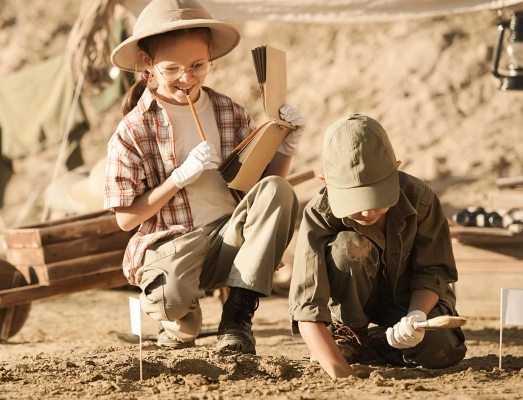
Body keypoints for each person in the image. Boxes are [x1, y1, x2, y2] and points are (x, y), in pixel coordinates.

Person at [103, 0, 306, 354]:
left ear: (211, 55)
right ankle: (179, 321)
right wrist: (178, 177)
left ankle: (237, 318)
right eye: (172, 69)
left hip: (230, 240)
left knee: (280, 190)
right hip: (173, 245)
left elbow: (262, 190)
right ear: (147, 64)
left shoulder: (229, 111)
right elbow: (125, 219)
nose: (187, 78)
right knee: (174, 304)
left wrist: (287, 145)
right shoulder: (132, 131)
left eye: (198, 65)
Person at [289, 114, 467, 378]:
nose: (367, 211)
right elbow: (307, 307)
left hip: (410, 302)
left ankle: (380, 341)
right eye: (354, 201)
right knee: (348, 246)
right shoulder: (319, 213)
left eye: (376, 197)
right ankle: (350, 336)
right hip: (351, 308)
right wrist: (341, 375)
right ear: (326, 182)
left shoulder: (421, 199)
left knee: (441, 351)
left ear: (395, 170)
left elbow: (433, 272)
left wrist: (416, 316)